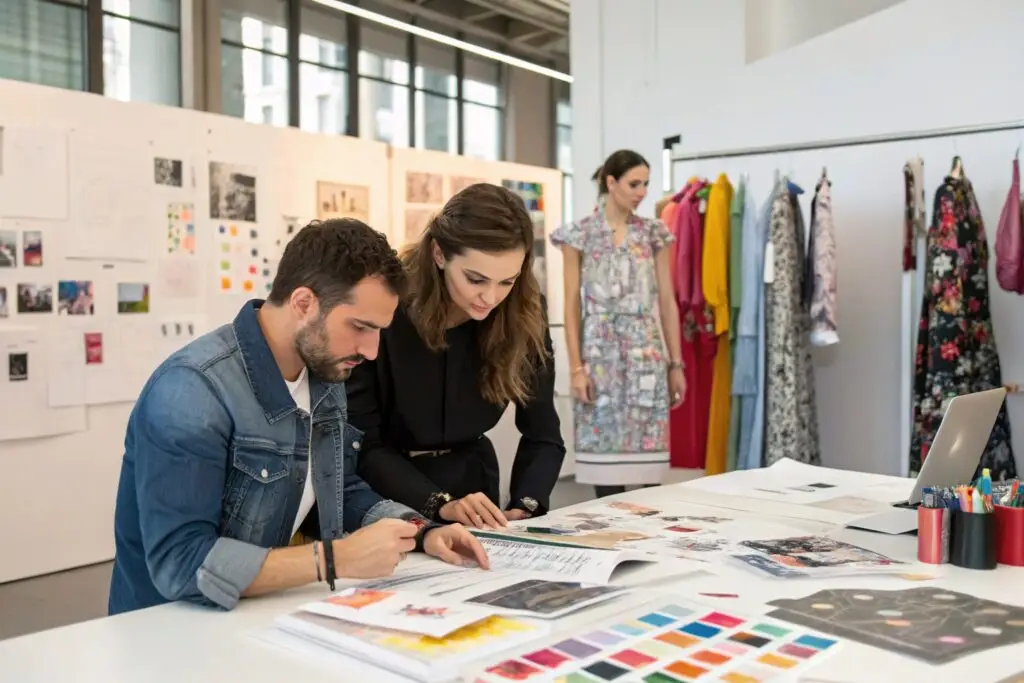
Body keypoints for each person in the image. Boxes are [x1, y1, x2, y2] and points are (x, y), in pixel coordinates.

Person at [108, 219, 488, 616]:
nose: (372, 351)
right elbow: (181, 564)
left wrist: (422, 531)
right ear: (304, 303)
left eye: (379, 331)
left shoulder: (323, 370)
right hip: (167, 632)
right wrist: (332, 560)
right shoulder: (190, 392)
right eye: (360, 327)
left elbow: (337, 489)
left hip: (253, 616)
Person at [347, 183, 565, 529]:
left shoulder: (524, 313)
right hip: (387, 497)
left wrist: (526, 505)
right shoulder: (389, 310)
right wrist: (440, 506)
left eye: (507, 282)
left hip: (476, 490)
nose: (490, 297)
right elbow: (362, 443)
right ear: (439, 255)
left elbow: (543, 435)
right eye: (475, 279)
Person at [551, 149, 685, 499]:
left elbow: (667, 303)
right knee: (605, 477)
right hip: (599, 360)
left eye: (646, 184)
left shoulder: (655, 234)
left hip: (646, 355)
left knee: (651, 479)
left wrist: (676, 364)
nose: (642, 192)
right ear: (611, 183)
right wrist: (577, 368)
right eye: (634, 183)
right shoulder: (578, 234)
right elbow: (570, 305)